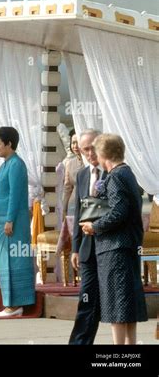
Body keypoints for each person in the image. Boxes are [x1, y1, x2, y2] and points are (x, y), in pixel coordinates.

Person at [80, 134, 147, 345]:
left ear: (103, 154)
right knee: (127, 303)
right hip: (128, 246)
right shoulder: (127, 173)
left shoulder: (116, 176)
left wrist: (94, 226)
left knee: (116, 303)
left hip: (115, 248)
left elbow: (119, 212)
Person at [0, 127, 35, 317]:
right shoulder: (4, 164)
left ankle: (16, 304)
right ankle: (9, 303)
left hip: (12, 222)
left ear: (9, 144)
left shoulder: (17, 164)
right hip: (1, 221)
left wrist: (10, 220)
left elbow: (15, 196)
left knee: (14, 261)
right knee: (3, 262)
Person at [69, 129, 103, 344]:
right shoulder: (81, 175)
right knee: (87, 297)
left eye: (93, 148)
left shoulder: (115, 172)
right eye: (85, 150)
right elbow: (79, 213)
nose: (90, 153)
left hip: (110, 246)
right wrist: (75, 248)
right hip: (87, 249)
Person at [62, 129, 84, 217]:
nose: (75, 146)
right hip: (73, 203)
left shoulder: (90, 162)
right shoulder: (69, 163)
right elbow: (67, 188)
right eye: (73, 143)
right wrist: (64, 209)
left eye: (77, 143)